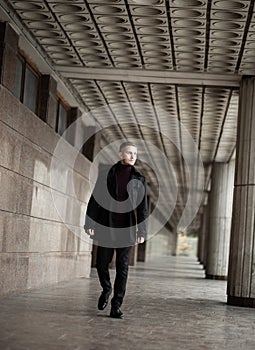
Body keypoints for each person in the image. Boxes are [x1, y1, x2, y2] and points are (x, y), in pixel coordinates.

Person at [84, 141, 148, 319]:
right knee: (101, 263)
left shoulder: (139, 179)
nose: (133, 156)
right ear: (120, 154)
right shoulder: (106, 175)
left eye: (135, 153)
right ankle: (106, 288)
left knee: (122, 268)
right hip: (106, 226)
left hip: (126, 230)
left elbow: (143, 208)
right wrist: (90, 223)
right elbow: (95, 200)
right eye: (129, 153)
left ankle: (116, 305)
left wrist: (142, 232)